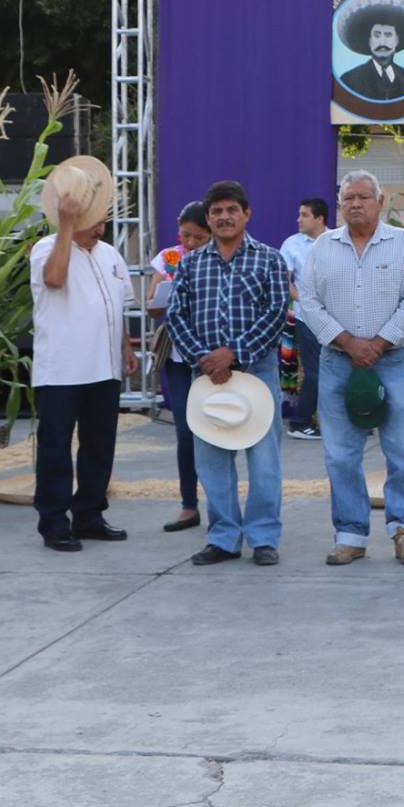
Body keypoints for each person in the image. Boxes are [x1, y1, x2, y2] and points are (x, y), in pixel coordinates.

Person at [298, 171, 404, 567]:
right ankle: (350, 535)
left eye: (363, 197)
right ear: (339, 205)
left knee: (402, 449)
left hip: (395, 360)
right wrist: (350, 343)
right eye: (347, 198)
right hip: (339, 362)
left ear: (380, 201)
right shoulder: (322, 248)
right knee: (340, 454)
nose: (355, 204)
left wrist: (378, 343)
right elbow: (308, 301)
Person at [168, 180, 290, 567]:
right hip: (206, 377)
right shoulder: (189, 262)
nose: (223, 217)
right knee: (211, 458)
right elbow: (176, 316)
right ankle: (223, 537)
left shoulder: (270, 259)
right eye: (216, 211)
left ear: (246, 214)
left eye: (230, 210)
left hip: (257, 373)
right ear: (209, 217)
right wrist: (205, 358)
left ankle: (263, 537)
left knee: (264, 459)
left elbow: (276, 314)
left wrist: (234, 354)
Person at [29, 187, 136, 551]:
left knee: (99, 444)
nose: (101, 230)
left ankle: (90, 514)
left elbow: (116, 308)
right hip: (61, 368)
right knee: (56, 446)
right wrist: (66, 226)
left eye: (103, 221)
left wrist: (125, 349)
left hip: (104, 366)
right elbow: (54, 279)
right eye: (94, 222)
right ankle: (55, 522)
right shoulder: (47, 248)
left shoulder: (109, 254)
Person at [149, 201, 211, 532]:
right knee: (185, 433)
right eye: (184, 236)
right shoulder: (169, 257)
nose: (188, 244)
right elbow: (151, 305)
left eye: (197, 237)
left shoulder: (221, 259)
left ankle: (220, 503)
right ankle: (189, 505)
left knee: (215, 430)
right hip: (177, 357)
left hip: (212, 358)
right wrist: (161, 298)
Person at [280, 197, 329, 439]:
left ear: (319, 219)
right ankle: (299, 422)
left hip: (337, 319)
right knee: (316, 371)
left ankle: (345, 420)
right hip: (306, 317)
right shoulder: (291, 244)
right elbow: (285, 282)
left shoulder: (337, 239)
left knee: (338, 370)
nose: (298, 219)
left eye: (304, 215)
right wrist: (306, 302)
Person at [335, 0, 404, 103]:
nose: (382, 42)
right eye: (377, 35)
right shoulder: (350, 79)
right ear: (369, 41)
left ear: (397, 41)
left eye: (388, 35)